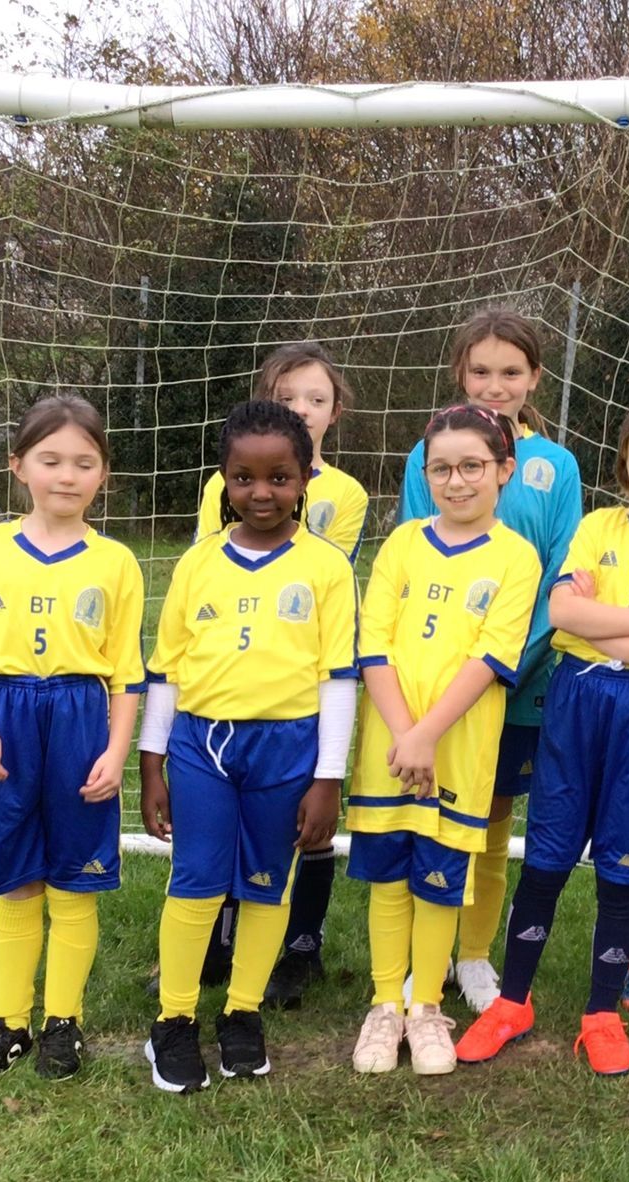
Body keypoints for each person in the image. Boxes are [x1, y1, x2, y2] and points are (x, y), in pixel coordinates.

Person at [455, 392, 629, 1076]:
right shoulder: (600, 528)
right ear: (624, 470)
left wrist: (604, 623)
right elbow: (561, 612)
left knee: (622, 863)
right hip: (574, 702)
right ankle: (512, 1001)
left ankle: (602, 1014)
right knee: (546, 853)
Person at [138, 400, 359, 1091]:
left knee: (266, 885)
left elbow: (338, 680)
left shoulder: (326, 569)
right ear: (223, 481)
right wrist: (151, 766)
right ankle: (174, 1022)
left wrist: (328, 777)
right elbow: (167, 671)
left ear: (304, 482)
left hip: (288, 750)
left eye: (279, 478)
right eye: (243, 478)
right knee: (198, 881)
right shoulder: (198, 564)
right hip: (203, 746)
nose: (261, 493)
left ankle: (242, 1011)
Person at [0, 394, 145, 1082]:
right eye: (50, 460)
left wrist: (116, 752)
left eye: (84, 463)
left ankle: (63, 1022)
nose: (67, 475)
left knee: (74, 884)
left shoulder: (116, 563)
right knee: (17, 882)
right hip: (7, 718)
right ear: (18, 465)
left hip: (81, 719)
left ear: (103, 476)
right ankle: (9, 1025)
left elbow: (126, 675)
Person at [347, 404, 541, 1075]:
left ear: (503, 471)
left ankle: (426, 1005)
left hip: (457, 747)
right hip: (391, 748)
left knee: (438, 878)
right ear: (424, 473)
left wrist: (429, 735)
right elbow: (373, 642)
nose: (456, 482)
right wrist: (405, 734)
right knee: (389, 877)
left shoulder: (518, 559)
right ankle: (383, 1005)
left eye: (472, 467)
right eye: (442, 469)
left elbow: (492, 656)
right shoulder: (402, 543)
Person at [397, 308, 582, 1011]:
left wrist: (515, 657)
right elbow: (419, 553)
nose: (495, 385)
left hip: (522, 677)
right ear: (459, 373)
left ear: (535, 377)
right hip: (441, 679)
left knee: (492, 816)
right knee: (433, 814)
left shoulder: (556, 465)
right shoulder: (429, 453)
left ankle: (474, 954)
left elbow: (562, 570)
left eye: (511, 372)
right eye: (481, 370)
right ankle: (426, 955)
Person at [194, 342, 368, 1009]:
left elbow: (323, 570)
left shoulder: (345, 494)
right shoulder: (221, 482)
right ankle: (217, 938)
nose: (303, 408)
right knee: (227, 808)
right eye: (289, 396)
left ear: (334, 412)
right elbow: (205, 561)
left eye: (316, 399)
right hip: (231, 670)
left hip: (303, 667)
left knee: (302, 810)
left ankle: (302, 947)